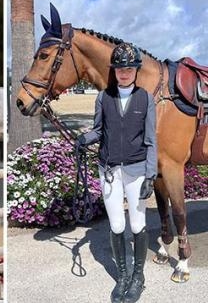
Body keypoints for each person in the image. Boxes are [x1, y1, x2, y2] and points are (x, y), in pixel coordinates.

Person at [76, 42, 157, 303]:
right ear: (114, 71)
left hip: (136, 171)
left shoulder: (145, 99)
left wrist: (151, 175)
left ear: (135, 70)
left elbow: (151, 140)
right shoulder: (103, 97)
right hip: (109, 170)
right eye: (120, 69)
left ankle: (138, 277)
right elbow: (98, 130)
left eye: (129, 68)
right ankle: (122, 276)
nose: (124, 73)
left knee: (137, 224)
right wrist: (84, 139)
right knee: (117, 225)